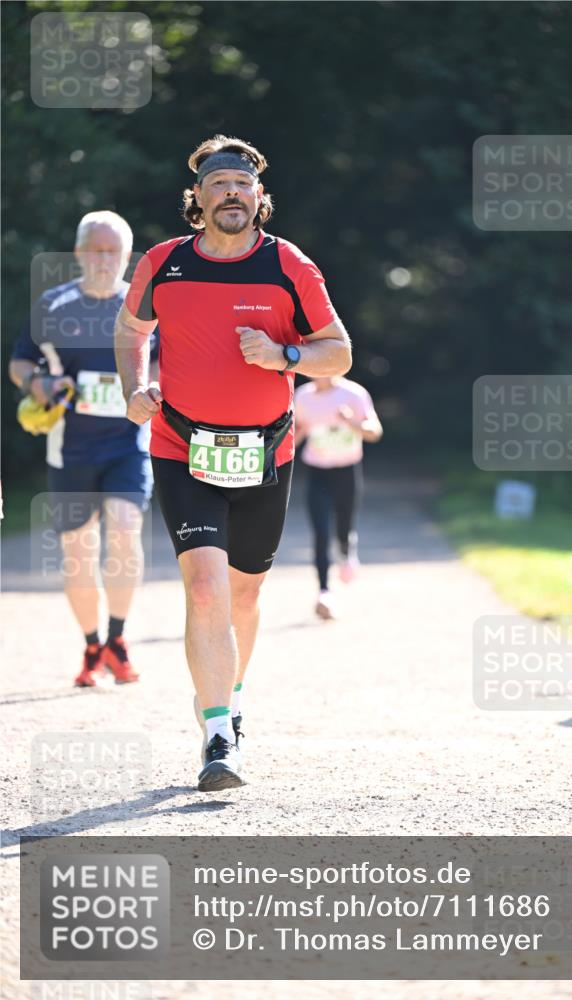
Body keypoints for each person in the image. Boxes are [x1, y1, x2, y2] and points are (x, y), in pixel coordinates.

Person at [115, 134, 352, 792]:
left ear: (258, 196)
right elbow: (131, 331)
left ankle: (229, 696)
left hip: (265, 451)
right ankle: (219, 735)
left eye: (242, 185)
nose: (231, 194)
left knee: (244, 594)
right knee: (204, 588)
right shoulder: (164, 263)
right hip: (181, 446)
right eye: (218, 184)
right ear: (197, 197)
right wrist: (134, 386)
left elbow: (338, 351)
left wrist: (284, 356)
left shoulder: (288, 265)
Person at [9, 211, 158, 686]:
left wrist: (155, 390)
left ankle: (118, 639)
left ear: (127, 256)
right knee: (78, 553)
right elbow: (20, 362)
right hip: (70, 449)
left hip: (128, 445)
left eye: (114, 251)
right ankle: (93, 646)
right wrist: (37, 384)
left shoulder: (144, 306)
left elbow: (167, 364)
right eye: (96, 249)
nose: (104, 259)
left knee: (125, 531)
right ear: (78, 253)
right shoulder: (54, 304)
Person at [294, 376, 382, 618]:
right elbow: (296, 431)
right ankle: (324, 592)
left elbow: (375, 432)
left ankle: (346, 549)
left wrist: (350, 421)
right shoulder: (303, 396)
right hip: (317, 472)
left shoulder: (354, 394)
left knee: (344, 527)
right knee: (321, 532)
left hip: (347, 471)